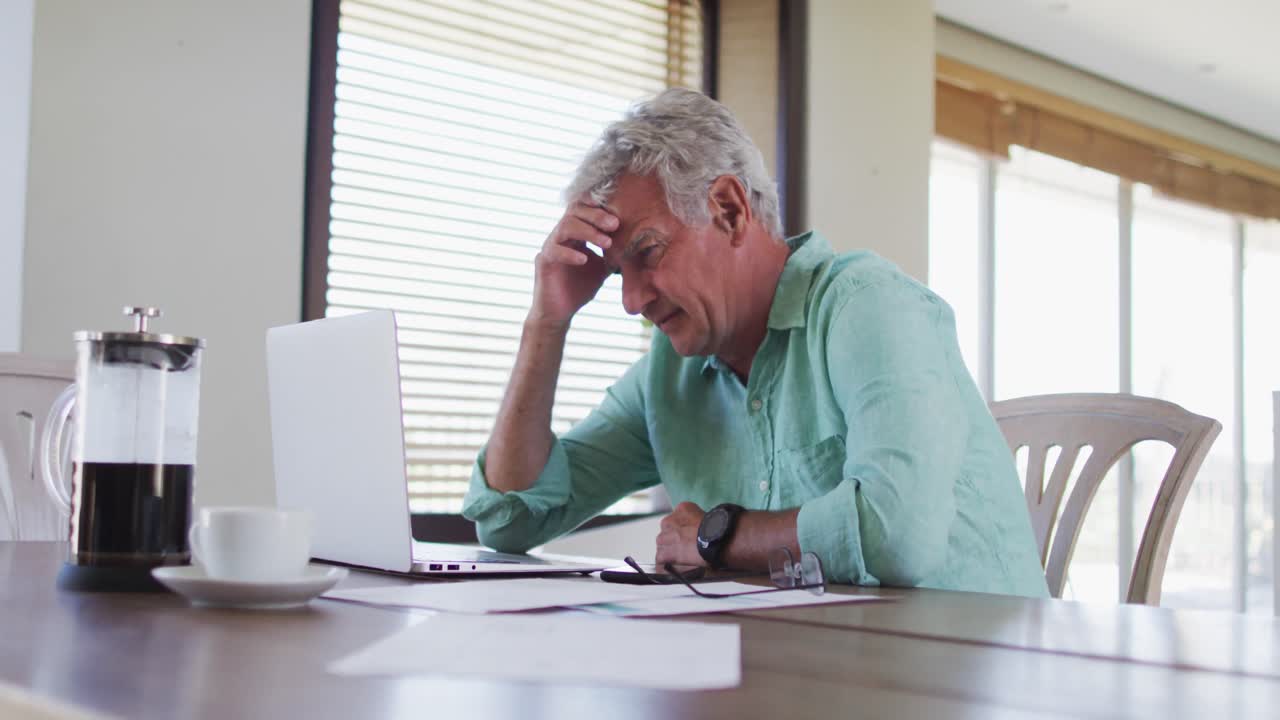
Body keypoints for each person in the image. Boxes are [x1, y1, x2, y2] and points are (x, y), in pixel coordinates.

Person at [462, 88, 1048, 597]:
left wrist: (719, 536)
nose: (632, 302)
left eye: (646, 254)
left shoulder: (867, 305)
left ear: (729, 209)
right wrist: (547, 321)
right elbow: (511, 520)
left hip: (978, 676)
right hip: (815, 668)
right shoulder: (670, 377)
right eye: (618, 275)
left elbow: (898, 536)